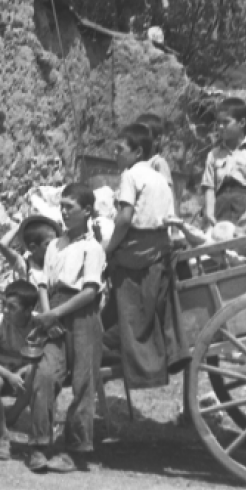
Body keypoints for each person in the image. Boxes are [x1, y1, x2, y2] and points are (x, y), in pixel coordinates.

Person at [26, 187, 105, 475]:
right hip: (54, 311)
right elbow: (44, 283)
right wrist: (48, 315)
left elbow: (90, 291)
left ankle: (76, 450)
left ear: (87, 211)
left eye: (71, 206)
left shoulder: (92, 248)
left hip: (82, 315)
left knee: (84, 382)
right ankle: (39, 445)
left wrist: (56, 313)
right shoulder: (54, 246)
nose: (65, 211)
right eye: (63, 206)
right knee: (45, 375)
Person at [107, 121, 176, 392]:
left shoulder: (130, 175)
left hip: (136, 248)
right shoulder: (160, 177)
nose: (116, 154)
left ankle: (119, 347)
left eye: (120, 149)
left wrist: (110, 248)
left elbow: (125, 219)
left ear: (137, 152)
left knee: (108, 268)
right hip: (158, 247)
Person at [0, 278, 43, 460]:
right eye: (4, 304)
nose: (5, 310)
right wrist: (8, 375)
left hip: (23, 371)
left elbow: (44, 355)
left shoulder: (39, 324)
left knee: (34, 372)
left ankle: (12, 416)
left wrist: (25, 368)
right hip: (0, 368)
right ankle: (3, 435)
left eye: (12, 307)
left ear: (28, 310)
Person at [201, 97, 246, 227]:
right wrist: (210, 213)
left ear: (242, 123)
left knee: (245, 242)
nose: (220, 127)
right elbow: (209, 188)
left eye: (226, 122)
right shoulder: (213, 155)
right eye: (218, 122)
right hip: (221, 208)